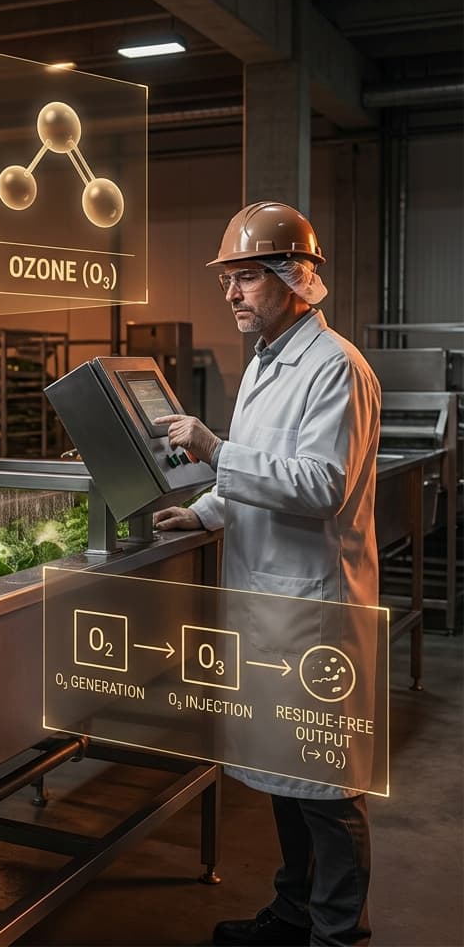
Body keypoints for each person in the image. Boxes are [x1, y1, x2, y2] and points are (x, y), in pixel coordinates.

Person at [152, 201, 381, 947]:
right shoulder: (266, 362)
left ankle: (338, 935)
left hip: (314, 610)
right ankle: (293, 913)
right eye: (228, 279)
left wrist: (215, 449)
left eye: (246, 277)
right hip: (268, 604)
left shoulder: (334, 367)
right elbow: (261, 467)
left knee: (325, 784)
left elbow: (319, 486)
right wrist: (208, 512)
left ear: (295, 278)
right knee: (287, 774)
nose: (231, 293)